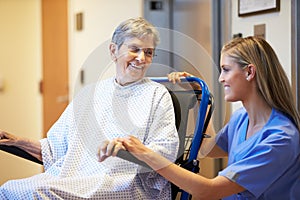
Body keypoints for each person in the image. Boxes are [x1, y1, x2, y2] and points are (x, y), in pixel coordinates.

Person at [99, 36, 300, 199]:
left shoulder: (280, 139)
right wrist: (198, 99)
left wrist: (147, 155)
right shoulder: (242, 119)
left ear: (249, 72)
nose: (220, 78)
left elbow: (209, 190)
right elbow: (207, 149)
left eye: (226, 70)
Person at [0, 17, 179, 199]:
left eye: (148, 52)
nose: (141, 58)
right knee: (9, 189)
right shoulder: (90, 93)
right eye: (134, 49)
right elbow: (56, 148)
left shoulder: (157, 95)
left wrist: (129, 148)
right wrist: (18, 141)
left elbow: (166, 150)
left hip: (125, 183)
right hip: (74, 179)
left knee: (40, 193)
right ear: (113, 51)